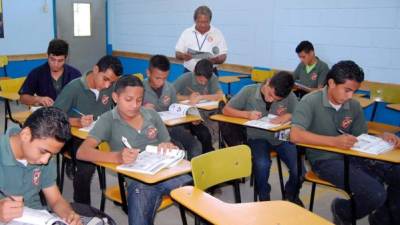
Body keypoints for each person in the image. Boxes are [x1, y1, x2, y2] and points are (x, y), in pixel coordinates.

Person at [290, 60, 400, 225]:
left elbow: (361, 136)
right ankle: (343, 210)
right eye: (347, 90)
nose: (350, 96)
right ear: (332, 83)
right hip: (325, 159)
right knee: (375, 193)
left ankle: (382, 219)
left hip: (354, 154)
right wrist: (334, 142)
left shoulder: (353, 105)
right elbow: (295, 135)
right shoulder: (310, 101)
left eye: (353, 91)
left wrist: (382, 137)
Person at [76, 75, 192, 225]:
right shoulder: (108, 120)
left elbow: (167, 142)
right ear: (115, 97)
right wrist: (117, 157)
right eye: (128, 100)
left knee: (198, 200)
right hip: (138, 181)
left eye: (139, 100)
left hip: (166, 172)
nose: (135, 105)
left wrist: (168, 146)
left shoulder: (152, 115)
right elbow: (82, 152)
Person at [223, 71, 304, 204]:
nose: (270, 100)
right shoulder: (248, 91)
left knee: (299, 170)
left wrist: (288, 116)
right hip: (257, 138)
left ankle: (291, 194)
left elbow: (301, 113)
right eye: (270, 94)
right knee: (262, 164)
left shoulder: (289, 95)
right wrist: (247, 114)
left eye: (276, 100)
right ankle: (264, 197)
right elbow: (226, 110)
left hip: (281, 138)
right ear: (268, 83)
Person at [54, 55, 123, 204]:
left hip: (99, 133)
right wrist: (75, 121)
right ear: (95, 69)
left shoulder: (110, 88)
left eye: (112, 82)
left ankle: (126, 195)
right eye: (105, 79)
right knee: (87, 166)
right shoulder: (74, 88)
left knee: (131, 147)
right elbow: (53, 116)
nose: (107, 85)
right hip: (75, 136)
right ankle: (82, 207)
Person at [0, 107, 81, 225]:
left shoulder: (44, 157)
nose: (45, 160)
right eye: (43, 151)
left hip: (37, 219)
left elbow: (55, 199)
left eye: (52, 155)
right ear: (26, 134)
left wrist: (69, 214)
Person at [142, 54, 202, 159]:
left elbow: (176, 109)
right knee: (177, 150)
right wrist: (142, 110)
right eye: (157, 78)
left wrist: (190, 116)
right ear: (148, 73)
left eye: (164, 78)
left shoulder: (169, 88)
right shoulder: (139, 89)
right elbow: (128, 114)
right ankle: (181, 174)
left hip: (172, 128)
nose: (161, 82)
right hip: (151, 131)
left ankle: (191, 174)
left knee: (196, 145)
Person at [174, 59, 224, 153]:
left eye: (206, 81)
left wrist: (201, 97)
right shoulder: (185, 78)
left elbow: (220, 95)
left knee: (217, 130)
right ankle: (205, 155)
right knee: (204, 134)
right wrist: (188, 97)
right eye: (200, 80)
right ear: (194, 73)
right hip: (186, 115)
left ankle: (210, 154)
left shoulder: (212, 77)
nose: (203, 83)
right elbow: (170, 95)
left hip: (204, 115)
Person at [19, 39, 82, 106]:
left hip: (70, 115)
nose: (55, 64)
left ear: (66, 59)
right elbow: (23, 98)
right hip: (46, 114)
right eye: (52, 59)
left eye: (60, 61)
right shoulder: (37, 73)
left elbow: (83, 97)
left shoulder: (75, 74)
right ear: (47, 56)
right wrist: (38, 99)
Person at [175, 5, 227, 74]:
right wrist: (183, 56)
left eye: (206, 22)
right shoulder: (186, 33)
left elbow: (223, 55)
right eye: (200, 22)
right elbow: (177, 53)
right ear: (195, 20)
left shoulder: (217, 33)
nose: (203, 25)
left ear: (210, 20)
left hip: (210, 72)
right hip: (189, 72)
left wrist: (214, 60)